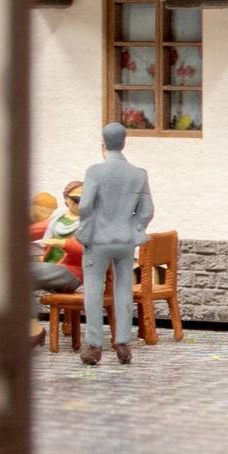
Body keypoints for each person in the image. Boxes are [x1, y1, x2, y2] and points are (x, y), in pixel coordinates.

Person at [76, 123, 153, 366]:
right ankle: (122, 342)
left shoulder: (95, 172)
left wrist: (87, 224)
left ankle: (94, 345)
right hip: (125, 240)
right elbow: (147, 211)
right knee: (124, 288)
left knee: (93, 288)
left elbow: (84, 206)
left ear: (103, 144)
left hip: (98, 239)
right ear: (124, 142)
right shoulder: (139, 174)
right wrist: (134, 227)